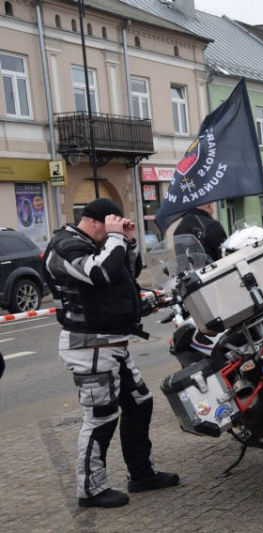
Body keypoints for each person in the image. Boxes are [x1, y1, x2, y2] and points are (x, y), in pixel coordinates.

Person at [43, 198, 179, 508]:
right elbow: (99, 274)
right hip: (89, 345)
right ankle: (91, 490)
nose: (113, 232)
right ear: (93, 222)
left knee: (139, 404)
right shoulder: (65, 246)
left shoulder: (94, 242)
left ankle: (142, 474)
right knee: (100, 418)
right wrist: (116, 239)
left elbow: (123, 275)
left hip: (114, 343)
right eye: (110, 225)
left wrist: (126, 242)